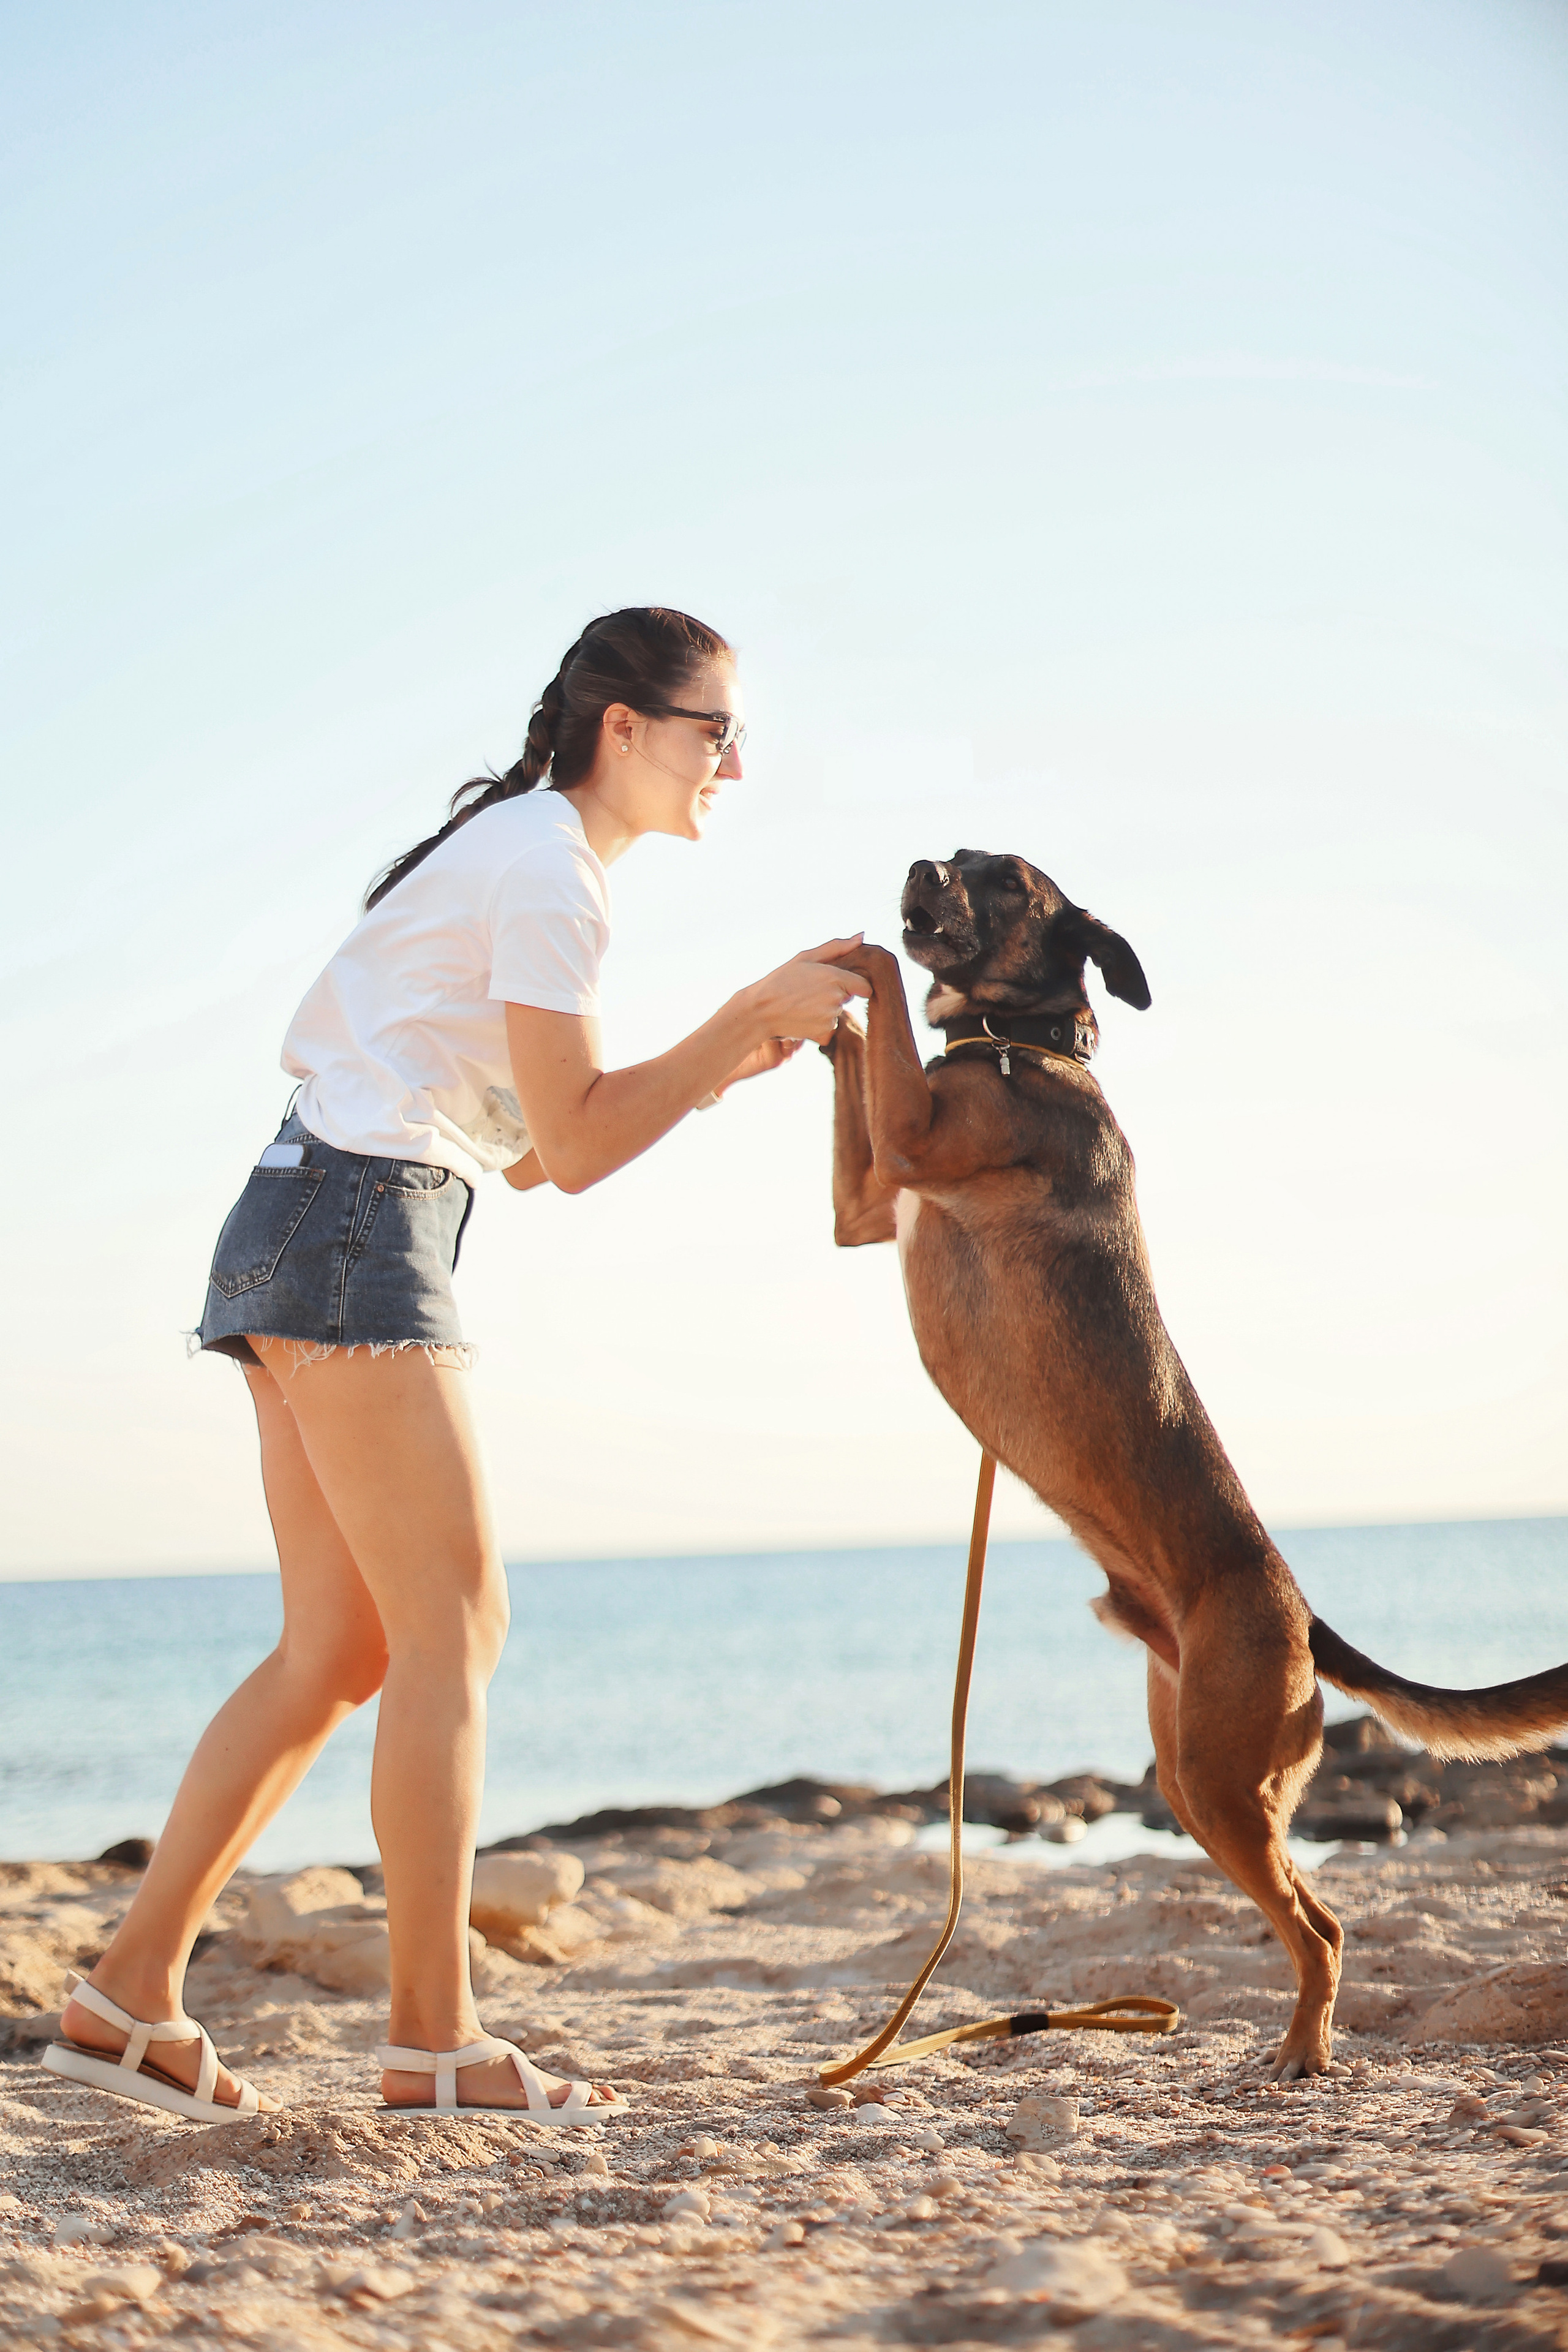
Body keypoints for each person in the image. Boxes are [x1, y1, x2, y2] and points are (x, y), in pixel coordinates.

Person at [44, 607, 866, 2123]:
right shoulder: (550, 869)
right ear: (622, 727)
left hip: (299, 1216)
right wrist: (744, 1015)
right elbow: (576, 1142)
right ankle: (434, 2043)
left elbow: (543, 1156)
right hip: (359, 1223)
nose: (733, 767)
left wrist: (723, 1061)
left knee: (339, 1652)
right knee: (453, 1629)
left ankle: (125, 2001)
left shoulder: (512, 854)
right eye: (715, 732)